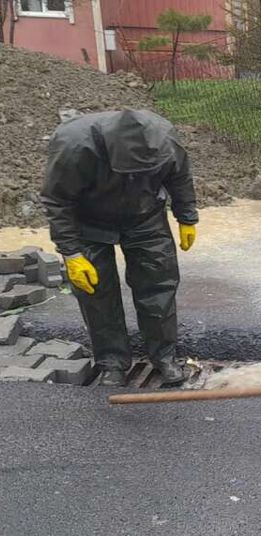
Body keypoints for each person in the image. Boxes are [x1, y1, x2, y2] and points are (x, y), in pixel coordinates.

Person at [40, 109, 198, 387]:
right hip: (89, 222)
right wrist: (72, 253)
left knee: (158, 286)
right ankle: (111, 361)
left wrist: (186, 217)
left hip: (145, 215)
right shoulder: (75, 146)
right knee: (97, 293)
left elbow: (179, 177)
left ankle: (163, 356)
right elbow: (57, 201)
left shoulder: (164, 139)